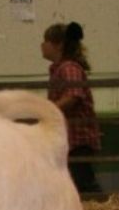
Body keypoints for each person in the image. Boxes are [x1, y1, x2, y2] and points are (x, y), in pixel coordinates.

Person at [41, 21, 102, 194]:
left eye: (45, 41)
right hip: (71, 138)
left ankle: (99, 205)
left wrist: (48, 111)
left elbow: (73, 96)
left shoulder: (68, 68)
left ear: (58, 45)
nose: (42, 45)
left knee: (83, 183)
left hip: (77, 138)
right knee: (78, 181)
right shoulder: (61, 68)